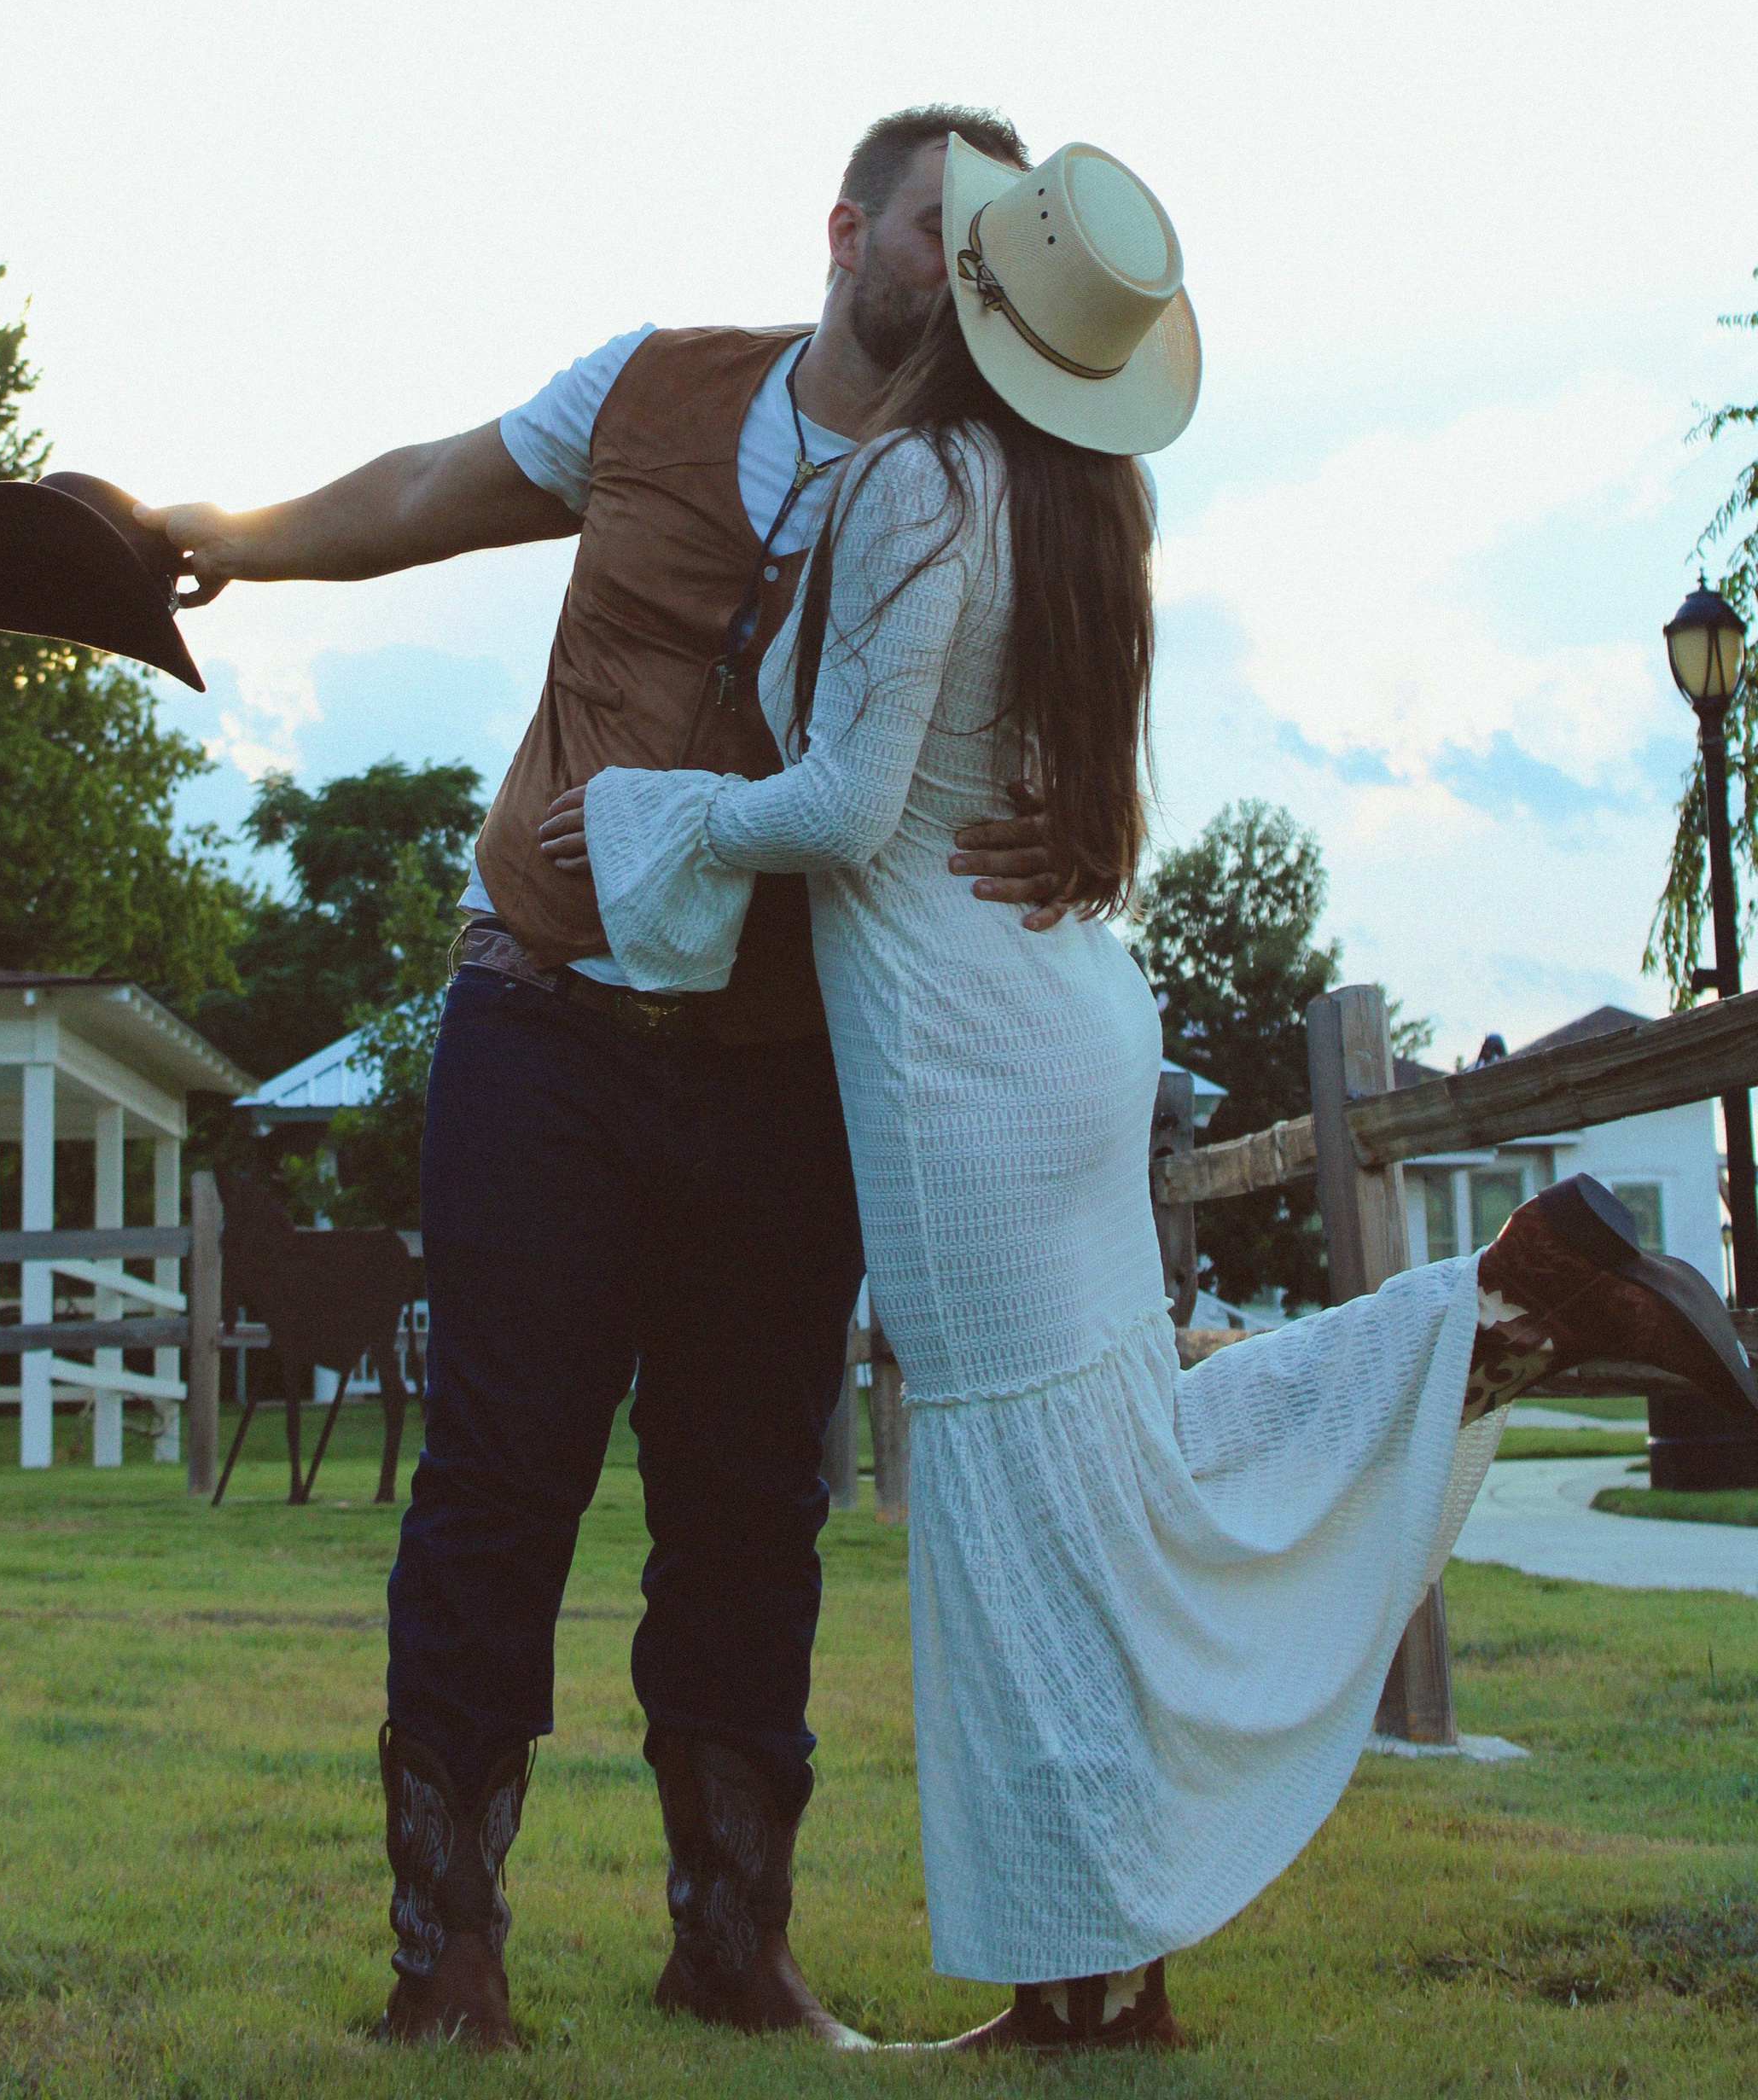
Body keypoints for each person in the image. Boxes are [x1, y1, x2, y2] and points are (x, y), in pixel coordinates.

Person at [558, 129, 1758, 2055]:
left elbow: (852, 809)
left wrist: (643, 809)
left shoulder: (914, 483)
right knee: (1114, 1475)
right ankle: (1103, 1977)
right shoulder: (1080, 506)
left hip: (958, 1063)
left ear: (962, 297)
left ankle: (1497, 1309)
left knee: (1034, 1507)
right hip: (1058, 1022)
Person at [138, 105, 1074, 2051]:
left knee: (748, 1506)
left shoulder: (994, 482)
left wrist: (1079, 834)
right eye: (934, 227)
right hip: (541, 1023)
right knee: (497, 1483)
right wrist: (225, 535)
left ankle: (729, 1944)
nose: (959, 267)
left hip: (785, 1063)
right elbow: (425, 489)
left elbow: (1049, 726)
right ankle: (446, 1954)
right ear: (847, 228)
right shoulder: (650, 389)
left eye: (990, 242)